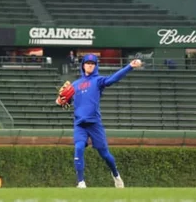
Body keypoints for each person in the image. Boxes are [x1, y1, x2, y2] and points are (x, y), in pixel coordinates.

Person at [56, 54, 142, 189]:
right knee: (78, 148)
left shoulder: (98, 80)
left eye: (93, 63)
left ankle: (116, 175)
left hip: (94, 123)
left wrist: (129, 66)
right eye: (88, 62)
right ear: (83, 65)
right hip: (80, 123)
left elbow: (113, 79)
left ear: (95, 66)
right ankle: (81, 182)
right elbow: (65, 102)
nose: (90, 65)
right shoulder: (75, 85)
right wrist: (60, 102)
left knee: (105, 155)